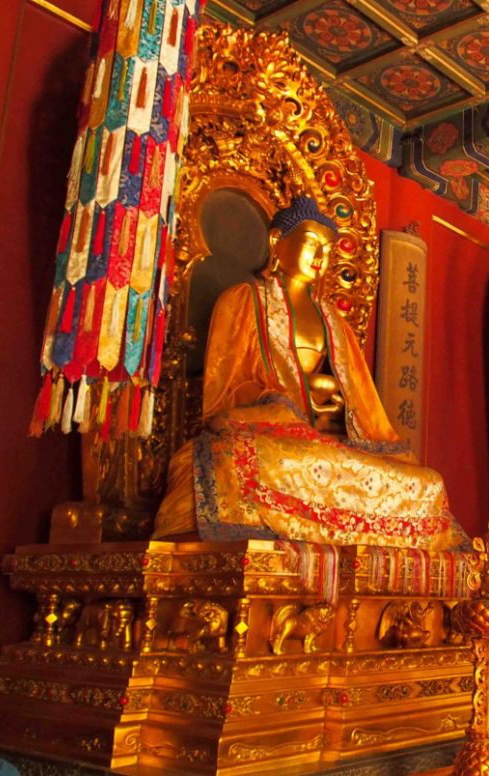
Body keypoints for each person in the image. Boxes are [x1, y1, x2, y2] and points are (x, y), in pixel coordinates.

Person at [153, 197, 465, 549]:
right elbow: (225, 390)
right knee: (240, 458)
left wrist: (336, 403)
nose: (321, 257)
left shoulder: (335, 322)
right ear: (277, 241)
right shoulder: (243, 301)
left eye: (328, 250)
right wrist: (285, 401)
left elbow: (363, 406)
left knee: (428, 482)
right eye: (312, 243)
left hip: (337, 447)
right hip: (281, 439)